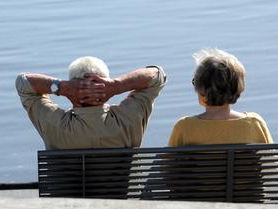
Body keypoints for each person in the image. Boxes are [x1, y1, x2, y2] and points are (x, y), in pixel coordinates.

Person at [16, 56, 166, 149]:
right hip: (124, 199)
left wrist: (62, 87)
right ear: (105, 82)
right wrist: (117, 85)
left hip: (68, 200)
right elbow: (158, 75)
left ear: (72, 84)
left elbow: (23, 83)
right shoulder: (129, 118)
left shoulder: (54, 124)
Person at [168, 48, 273, 146]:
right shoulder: (254, 123)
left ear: (200, 89)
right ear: (238, 88)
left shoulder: (184, 127)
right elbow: (272, 163)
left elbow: (167, 164)